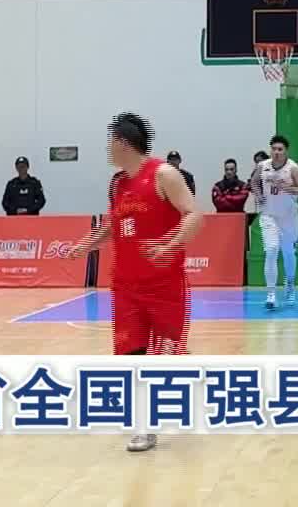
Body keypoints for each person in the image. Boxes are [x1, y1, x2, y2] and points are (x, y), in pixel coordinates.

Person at [68, 113, 202, 454]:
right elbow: (114, 225)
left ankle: (177, 380)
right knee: (130, 357)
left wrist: (171, 244)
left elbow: (194, 214)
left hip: (165, 286)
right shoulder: (117, 184)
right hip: (126, 288)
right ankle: (145, 426)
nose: (107, 149)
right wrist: (87, 244)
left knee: (162, 360)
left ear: (124, 143)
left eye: (110, 142)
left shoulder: (163, 174)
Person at [249, 135, 298, 310]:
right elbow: (253, 182)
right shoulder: (263, 166)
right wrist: (259, 196)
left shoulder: (293, 169)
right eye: (274, 149)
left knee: (289, 253)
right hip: (269, 216)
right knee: (271, 250)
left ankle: (290, 285)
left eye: (280, 149)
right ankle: (271, 294)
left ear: (286, 151)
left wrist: (287, 188)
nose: (276, 152)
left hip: (289, 218)